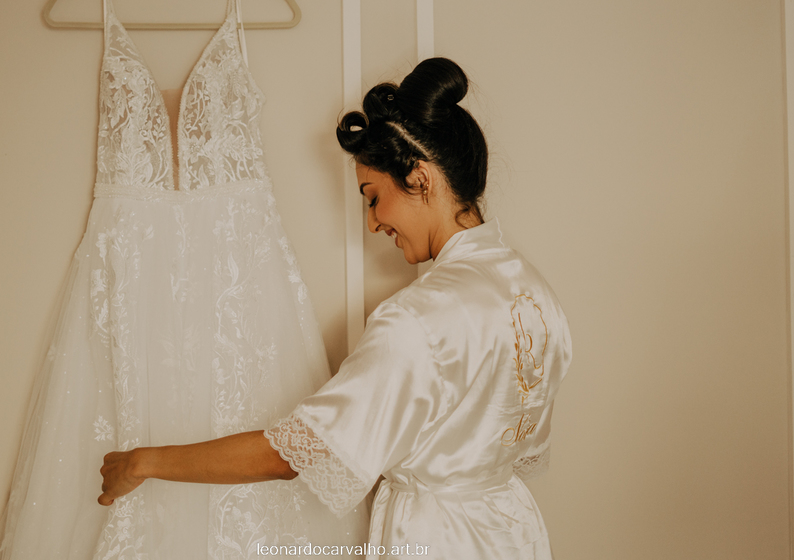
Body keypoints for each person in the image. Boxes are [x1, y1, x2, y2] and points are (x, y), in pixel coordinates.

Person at [99, 57, 573, 558]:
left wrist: (144, 462)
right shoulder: (538, 296)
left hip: (438, 539)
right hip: (514, 532)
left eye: (373, 197)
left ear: (420, 178)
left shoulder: (417, 319)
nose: (373, 223)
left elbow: (293, 454)